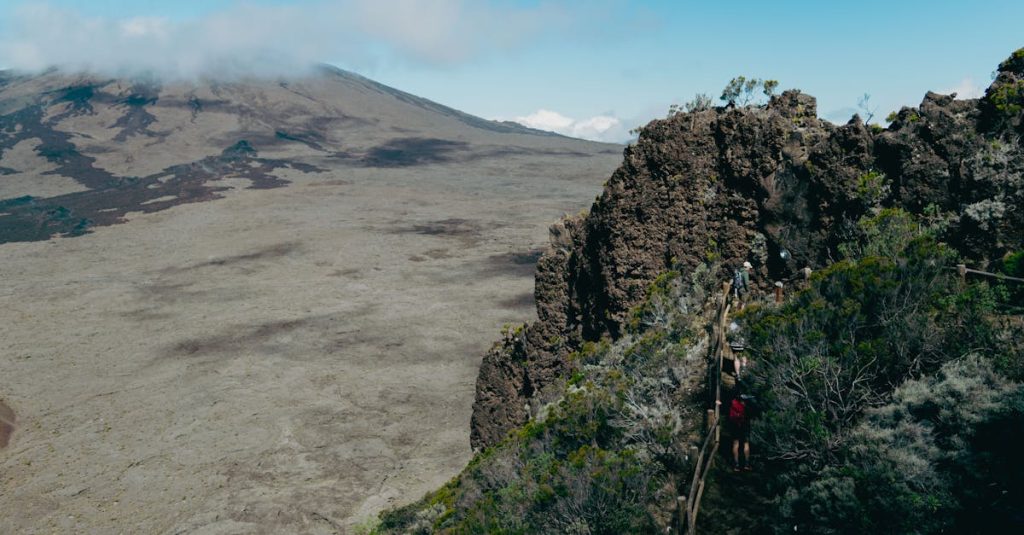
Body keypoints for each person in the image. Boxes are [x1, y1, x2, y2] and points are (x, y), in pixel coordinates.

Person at [728, 392, 755, 472]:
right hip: (744, 426)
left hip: (735, 426)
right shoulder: (745, 407)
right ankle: (747, 464)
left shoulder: (733, 404)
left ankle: (736, 465)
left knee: (735, 444)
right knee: (746, 444)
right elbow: (750, 415)